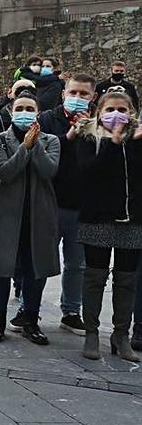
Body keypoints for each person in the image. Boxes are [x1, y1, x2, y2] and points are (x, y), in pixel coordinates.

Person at [0, 92, 61, 346]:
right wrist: (25, 147)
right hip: (5, 213)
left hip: (38, 213)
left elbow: (48, 170)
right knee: (0, 269)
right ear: (11, 111)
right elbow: (5, 172)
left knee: (34, 269)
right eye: (20, 108)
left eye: (29, 108)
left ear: (37, 113)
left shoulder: (51, 141)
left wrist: (35, 144)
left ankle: (30, 319)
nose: (24, 112)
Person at [71, 91, 141, 362]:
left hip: (132, 219)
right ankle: (91, 332)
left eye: (122, 108)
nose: (116, 113)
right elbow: (88, 172)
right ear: (99, 112)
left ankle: (121, 335)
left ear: (131, 111)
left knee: (127, 279)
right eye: (110, 108)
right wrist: (113, 143)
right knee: (95, 277)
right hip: (97, 216)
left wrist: (132, 144)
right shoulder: (88, 136)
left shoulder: (138, 138)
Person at [36, 74, 96, 335]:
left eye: (84, 94)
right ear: (64, 93)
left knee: (77, 263)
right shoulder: (48, 119)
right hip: (50, 200)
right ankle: (29, 308)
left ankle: (71, 311)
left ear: (93, 97)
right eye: (74, 93)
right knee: (40, 259)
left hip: (83, 204)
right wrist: (69, 136)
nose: (78, 98)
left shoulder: (100, 123)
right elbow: (39, 152)